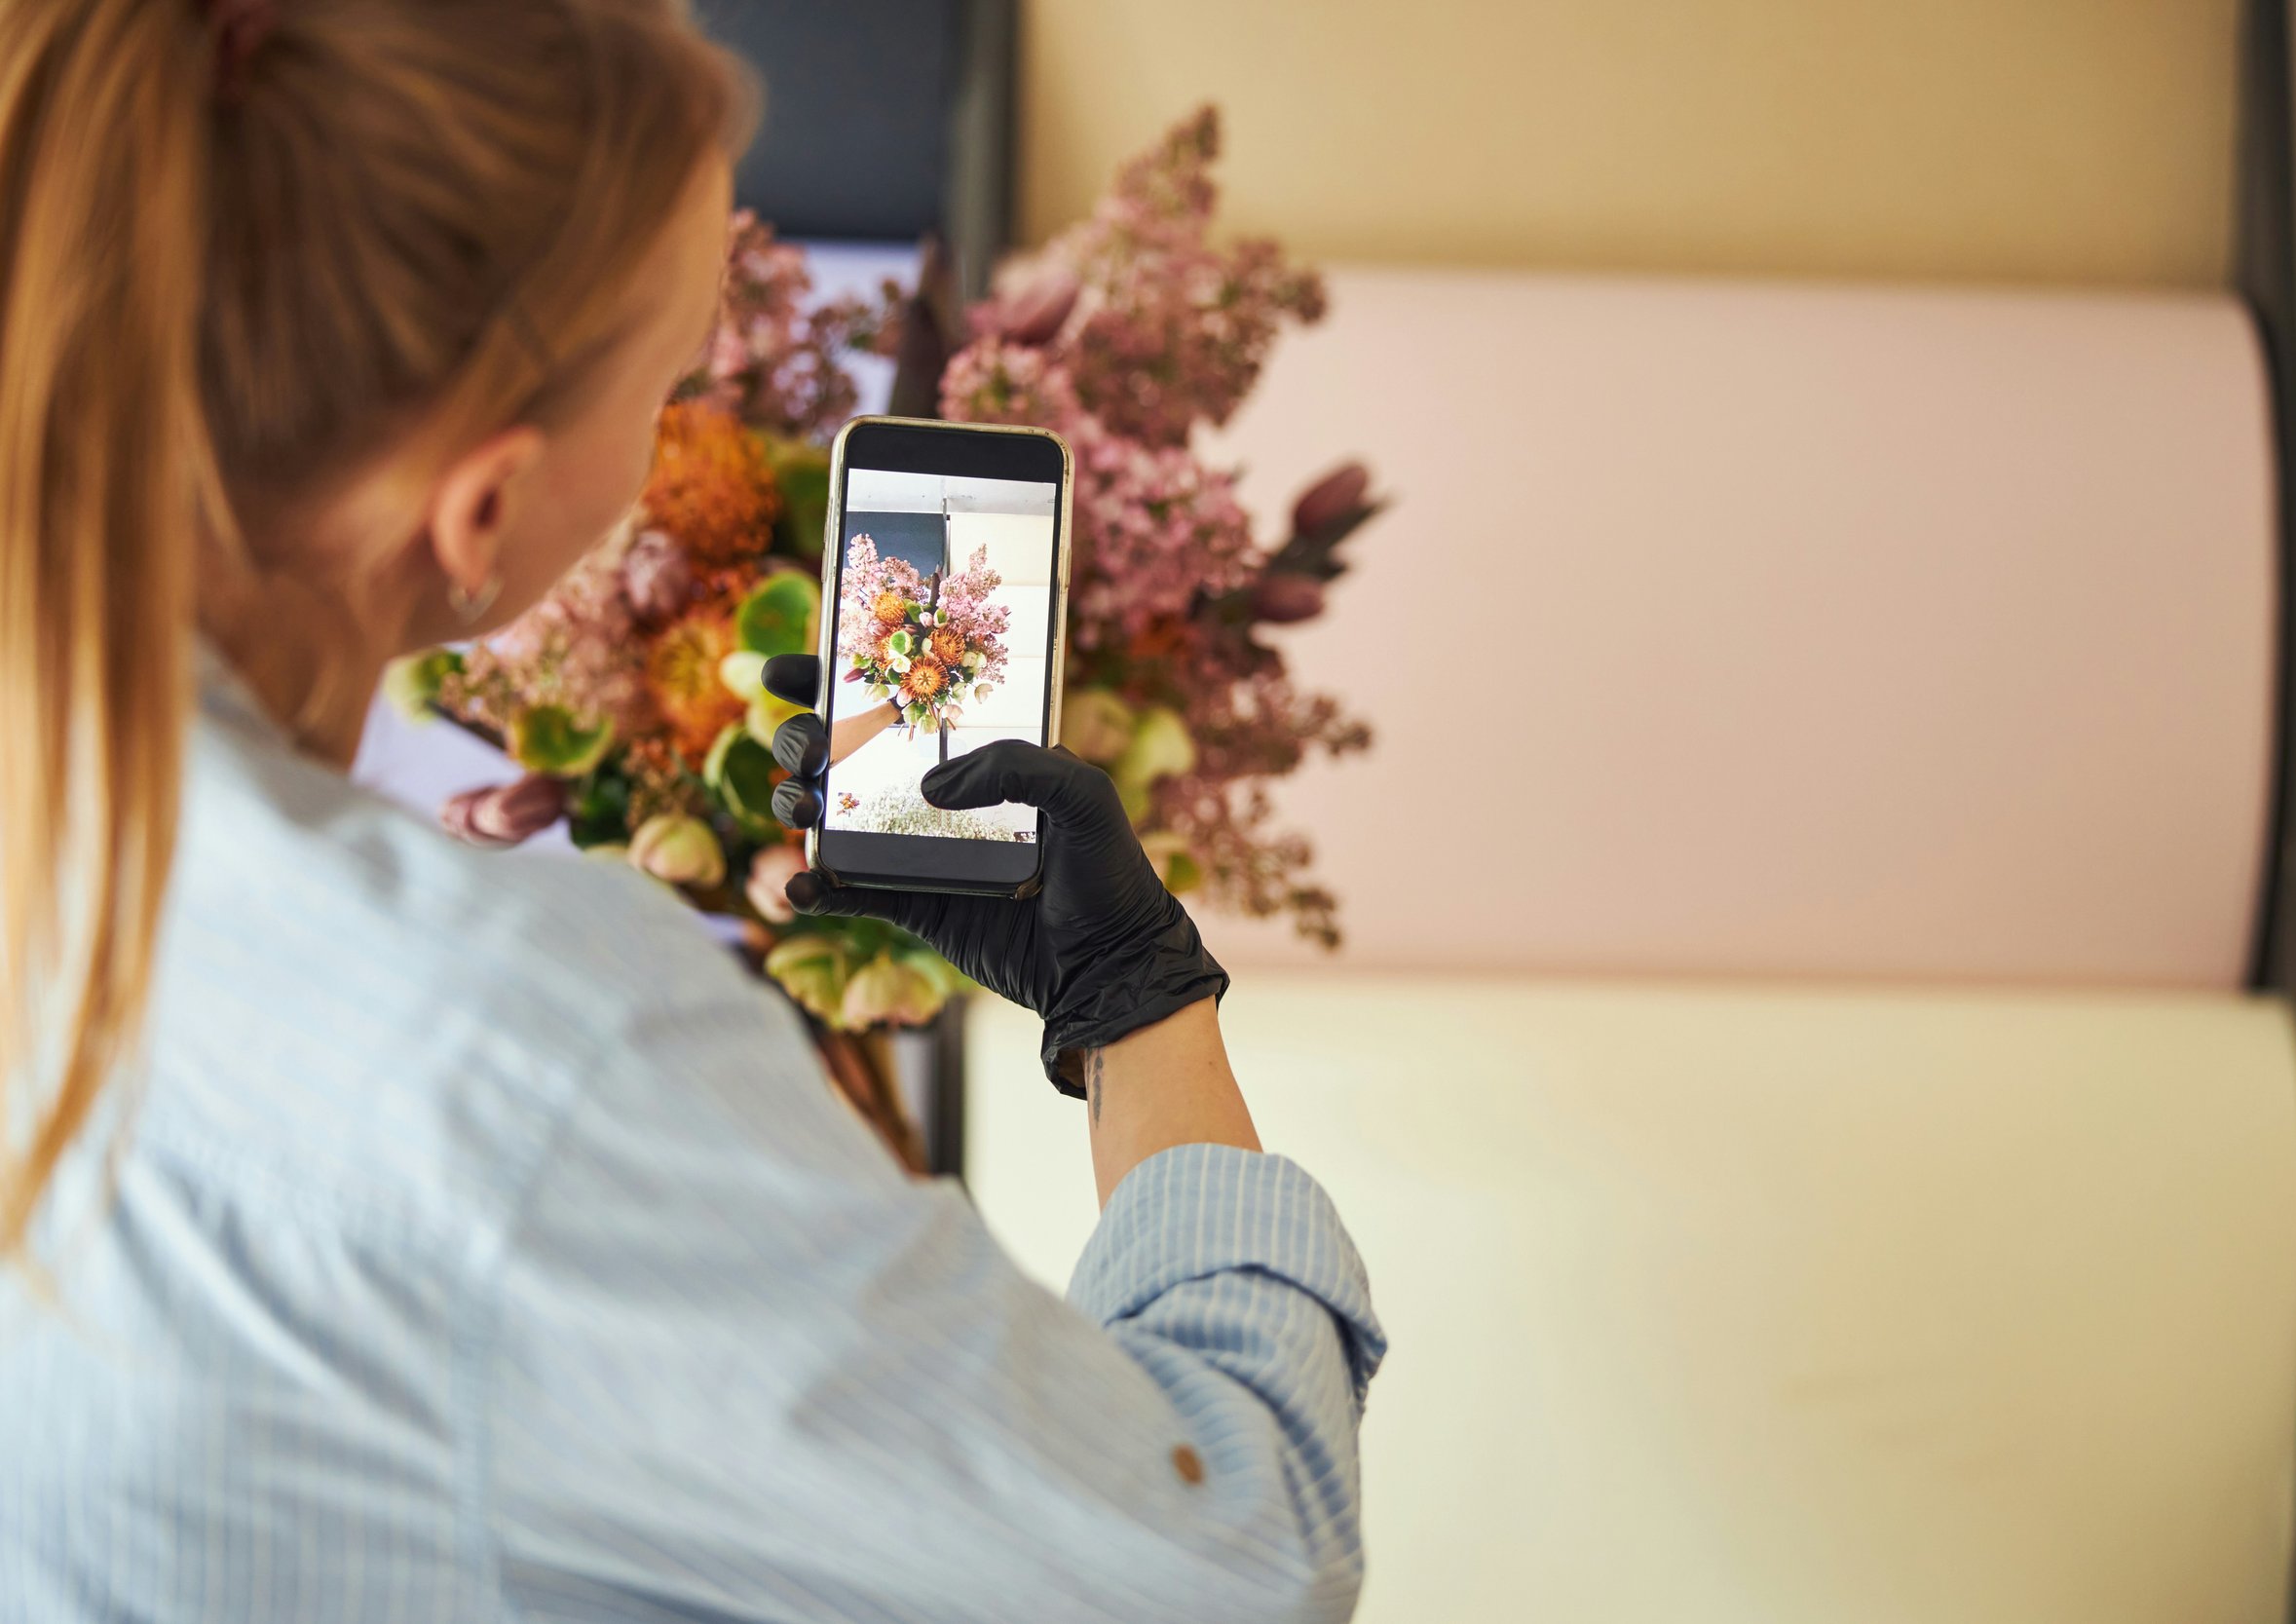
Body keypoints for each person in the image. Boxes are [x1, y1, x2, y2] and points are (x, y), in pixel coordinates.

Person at [0, 3, 1384, 1621]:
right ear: (484, 510)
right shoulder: (519, 1052)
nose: (683, 432)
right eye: (668, 389)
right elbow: (1235, 1569)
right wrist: (1138, 1004)